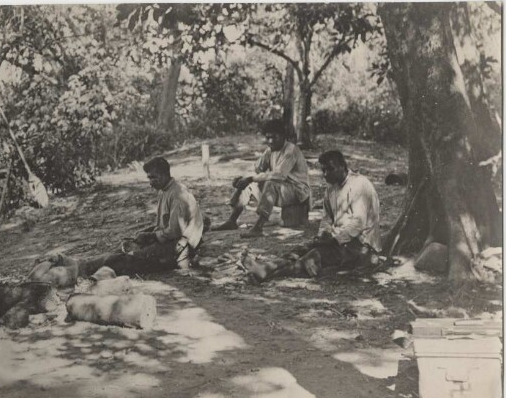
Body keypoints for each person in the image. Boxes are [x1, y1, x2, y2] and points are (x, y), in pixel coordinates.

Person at [43, 157, 205, 279]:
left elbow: (175, 231)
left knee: (127, 260)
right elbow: (165, 226)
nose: (150, 182)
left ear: (163, 175)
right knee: (128, 246)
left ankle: (80, 269)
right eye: (149, 178)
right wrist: (147, 234)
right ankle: (85, 264)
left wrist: (151, 236)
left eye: (153, 178)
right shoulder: (166, 190)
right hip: (172, 239)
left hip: (179, 247)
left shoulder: (177, 195)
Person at [242, 150, 381, 281]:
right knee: (302, 249)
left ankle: (266, 272)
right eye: (324, 170)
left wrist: (333, 240)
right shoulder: (331, 188)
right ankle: (267, 269)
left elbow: (358, 223)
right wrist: (324, 233)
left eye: (330, 169)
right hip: (340, 241)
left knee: (313, 257)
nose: (326, 174)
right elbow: (327, 218)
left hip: (361, 247)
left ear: (343, 166)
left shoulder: (359, 184)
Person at [212, 119, 311, 238]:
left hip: (298, 192)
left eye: (274, 137)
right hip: (283, 190)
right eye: (268, 137)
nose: (270, 141)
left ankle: (258, 227)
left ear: (283, 136)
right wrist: (242, 179)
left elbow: (279, 175)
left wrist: (252, 178)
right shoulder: (271, 150)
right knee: (249, 183)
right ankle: (232, 220)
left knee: (270, 183)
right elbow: (257, 168)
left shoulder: (291, 150)